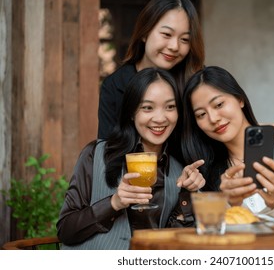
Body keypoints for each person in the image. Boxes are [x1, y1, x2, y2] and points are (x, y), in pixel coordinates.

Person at [97, 0, 274, 147]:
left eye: (184, 39)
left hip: (195, 190)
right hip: (137, 193)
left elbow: (230, 130)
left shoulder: (195, 80)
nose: (174, 46)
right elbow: (106, 150)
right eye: (166, 35)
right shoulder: (115, 85)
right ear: (145, 33)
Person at [57, 68, 205, 250]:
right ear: (132, 112)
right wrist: (114, 203)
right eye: (147, 107)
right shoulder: (95, 154)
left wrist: (187, 194)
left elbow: (174, 245)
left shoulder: (178, 169)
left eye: (170, 107)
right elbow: (65, 230)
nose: (160, 118)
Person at [181, 66, 274, 227]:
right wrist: (232, 204)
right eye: (201, 115)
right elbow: (216, 235)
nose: (213, 118)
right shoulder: (206, 170)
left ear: (240, 99)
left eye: (218, 104)